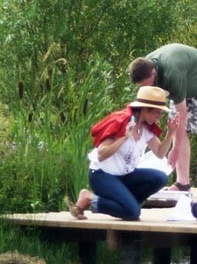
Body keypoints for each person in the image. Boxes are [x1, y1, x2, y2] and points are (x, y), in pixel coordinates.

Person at [67, 86, 181, 220]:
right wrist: (124, 137)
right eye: (157, 112)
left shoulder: (146, 128)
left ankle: (127, 206)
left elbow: (160, 153)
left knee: (160, 178)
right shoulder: (121, 122)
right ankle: (90, 198)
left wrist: (170, 133)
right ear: (145, 109)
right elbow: (101, 154)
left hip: (124, 176)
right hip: (102, 175)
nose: (159, 116)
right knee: (133, 213)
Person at [129, 43, 197, 191]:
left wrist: (175, 149)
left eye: (151, 84)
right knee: (175, 129)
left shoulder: (171, 73)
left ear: (154, 73)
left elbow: (182, 114)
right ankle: (183, 183)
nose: (150, 88)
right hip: (187, 86)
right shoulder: (145, 64)